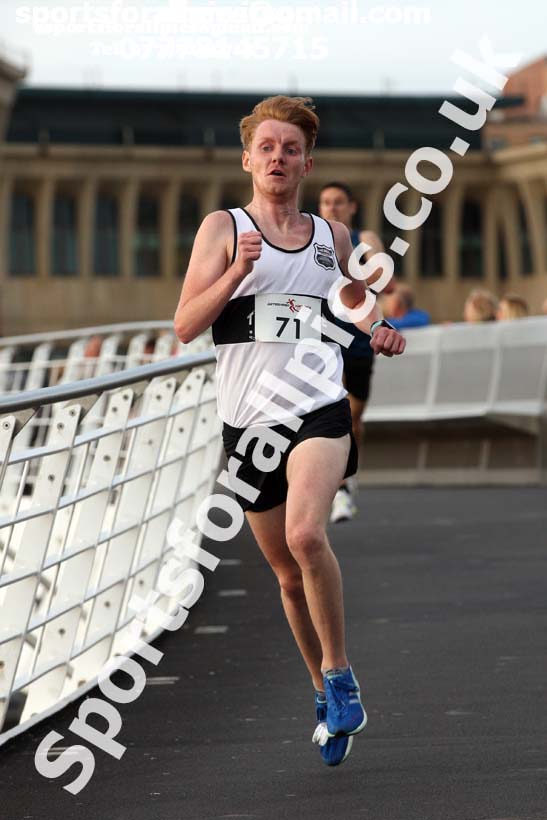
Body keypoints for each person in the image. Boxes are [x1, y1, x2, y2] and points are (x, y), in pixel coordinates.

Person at [174, 95, 405, 767]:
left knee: (307, 535)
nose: (278, 157)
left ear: (307, 162)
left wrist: (377, 327)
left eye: (290, 148)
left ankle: (339, 673)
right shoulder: (222, 228)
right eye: (266, 147)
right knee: (282, 574)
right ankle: (323, 692)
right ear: (248, 159)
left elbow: (355, 301)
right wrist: (240, 273)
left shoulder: (331, 239)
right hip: (248, 421)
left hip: (317, 408)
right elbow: (186, 323)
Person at [318, 182, 388, 523]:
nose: (331, 208)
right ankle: (339, 487)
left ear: (352, 207)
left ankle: (348, 473)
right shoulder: (310, 237)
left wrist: (353, 263)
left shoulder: (366, 237)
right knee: (336, 410)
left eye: (338, 203)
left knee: (354, 417)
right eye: (326, 203)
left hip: (359, 334)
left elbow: (380, 275)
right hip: (322, 334)